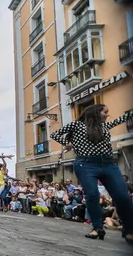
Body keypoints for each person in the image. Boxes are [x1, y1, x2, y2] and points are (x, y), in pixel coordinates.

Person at [50, 104, 133, 244]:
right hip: (85, 164)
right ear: (95, 112)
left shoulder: (104, 126)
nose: (107, 115)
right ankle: (97, 228)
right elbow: (54, 134)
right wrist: (68, 143)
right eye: (105, 112)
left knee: (122, 196)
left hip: (108, 164)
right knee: (93, 195)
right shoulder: (77, 125)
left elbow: (122, 118)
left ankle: (129, 229)